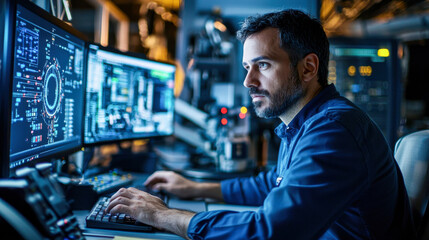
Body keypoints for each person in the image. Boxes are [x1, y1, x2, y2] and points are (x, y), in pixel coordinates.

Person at [106, 9, 416, 239]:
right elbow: (275, 184)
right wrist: (195, 187)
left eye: (263, 65)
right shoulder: (306, 123)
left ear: (308, 68)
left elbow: (271, 232)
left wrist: (165, 216)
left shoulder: (334, 130)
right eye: (246, 67)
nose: (248, 81)